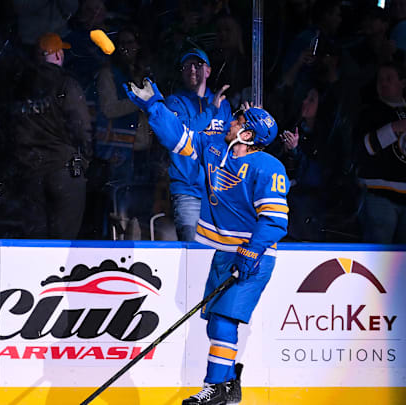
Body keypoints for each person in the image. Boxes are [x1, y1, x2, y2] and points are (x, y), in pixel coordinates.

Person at [124, 78, 288, 405]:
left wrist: (252, 251)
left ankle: (214, 387)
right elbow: (180, 139)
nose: (231, 121)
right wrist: (153, 106)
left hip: (253, 258)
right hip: (225, 254)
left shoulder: (268, 167)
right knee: (215, 322)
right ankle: (228, 385)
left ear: (249, 134)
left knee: (225, 320)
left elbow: (274, 221)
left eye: (239, 121)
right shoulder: (214, 149)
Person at [7, 32, 92, 239]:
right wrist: (87, 157)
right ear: (57, 55)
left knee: (35, 240)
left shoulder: (20, 85)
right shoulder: (66, 84)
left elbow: (10, 124)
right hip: (62, 168)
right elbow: (81, 126)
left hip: (29, 170)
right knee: (63, 240)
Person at [356, 62, 406, 244]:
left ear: (403, 82)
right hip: (379, 193)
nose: (383, 83)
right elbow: (364, 148)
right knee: (380, 255)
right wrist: (392, 129)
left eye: (389, 79)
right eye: (380, 80)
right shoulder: (369, 111)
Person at [165, 48, 233, 241]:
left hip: (220, 192)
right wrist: (212, 110)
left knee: (219, 256)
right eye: (187, 65)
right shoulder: (175, 102)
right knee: (192, 256)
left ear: (209, 71)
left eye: (197, 64)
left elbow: (231, 140)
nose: (192, 69)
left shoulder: (223, 103)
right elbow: (185, 133)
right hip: (189, 192)